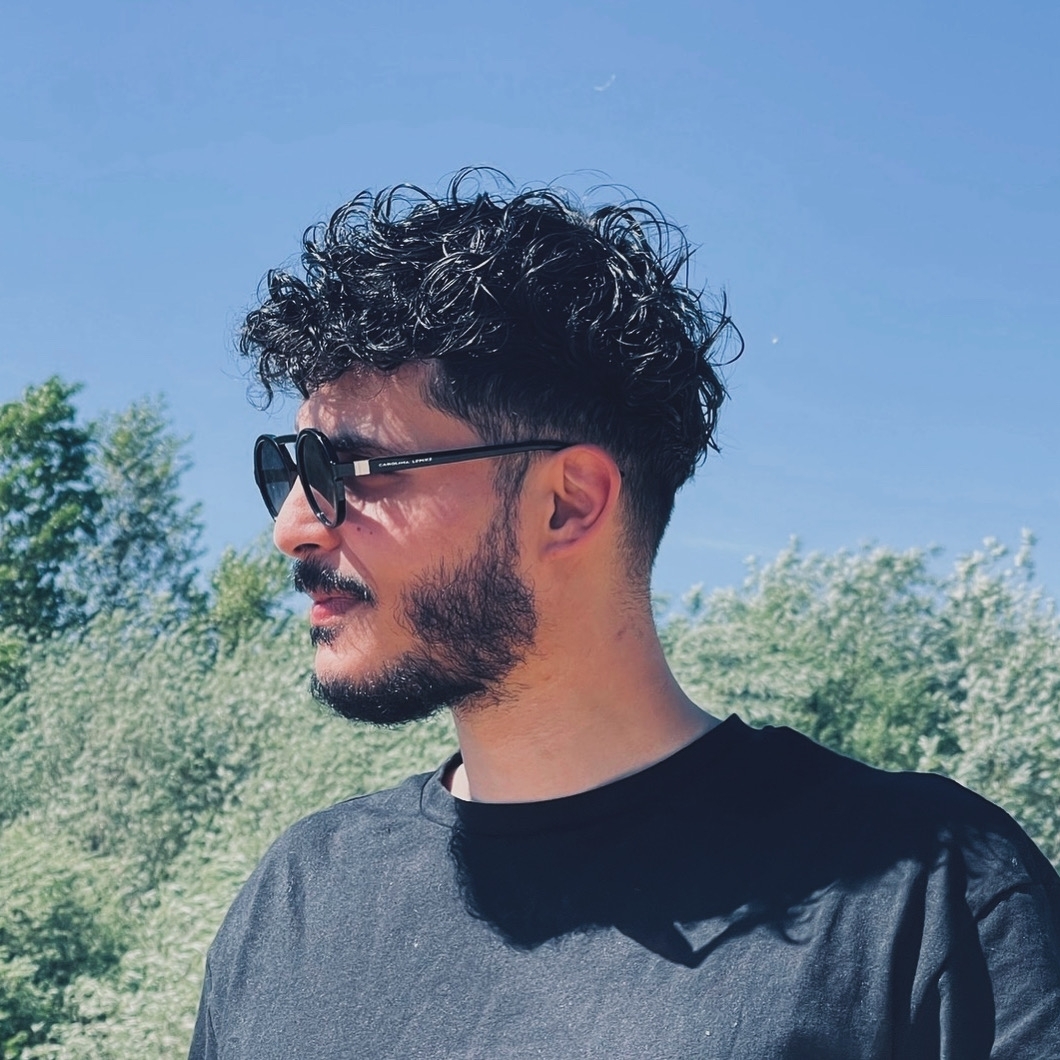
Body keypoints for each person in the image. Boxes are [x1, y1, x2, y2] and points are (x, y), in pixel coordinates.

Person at [190, 170, 1060, 1059]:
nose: (292, 527)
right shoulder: (296, 899)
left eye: (345, 470)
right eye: (288, 470)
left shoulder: (932, 902)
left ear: (567, 505)